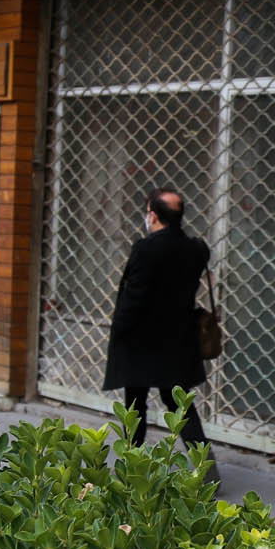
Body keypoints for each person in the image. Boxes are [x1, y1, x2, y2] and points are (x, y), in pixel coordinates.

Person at [102, 188, 211, 446]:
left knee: (135, 404)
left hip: (140, 339)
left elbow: (133, 296)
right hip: (178, 338)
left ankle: (133, 461)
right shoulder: (196, 249)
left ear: (152, 216)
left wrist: (119, 330)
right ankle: (204, 464)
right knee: (179, 403)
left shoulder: (146, 249)